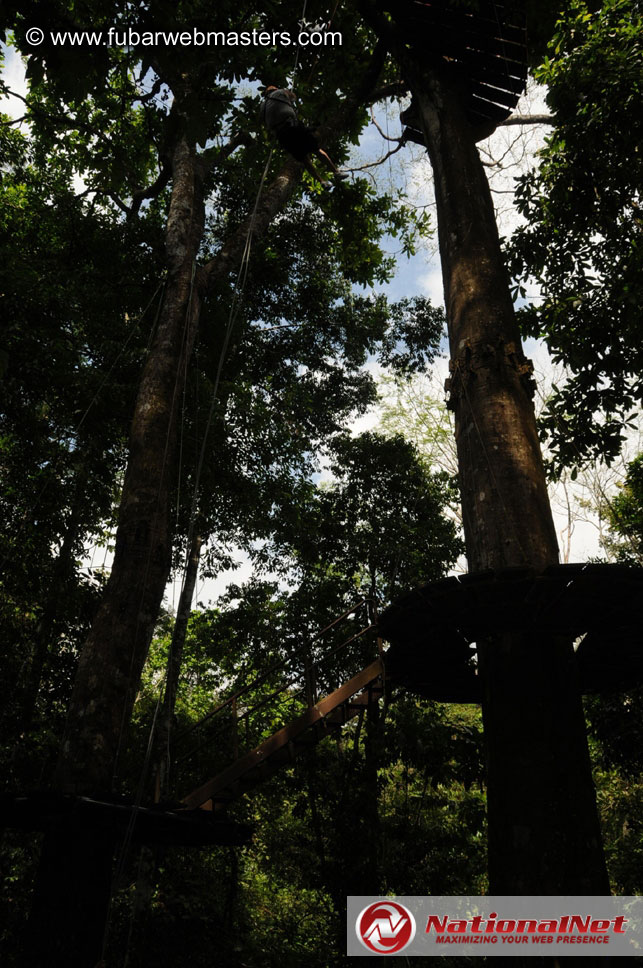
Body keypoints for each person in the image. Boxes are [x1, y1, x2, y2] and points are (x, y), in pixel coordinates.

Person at [259, 86, 348, 189]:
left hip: (281, 134)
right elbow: (293, 96)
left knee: (304, 159)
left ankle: (322, 182)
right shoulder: (279, 92)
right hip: (291, 126)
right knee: (316, 149)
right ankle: (336, 172)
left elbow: (262, 120)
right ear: (275, 89)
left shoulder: (263, 105)